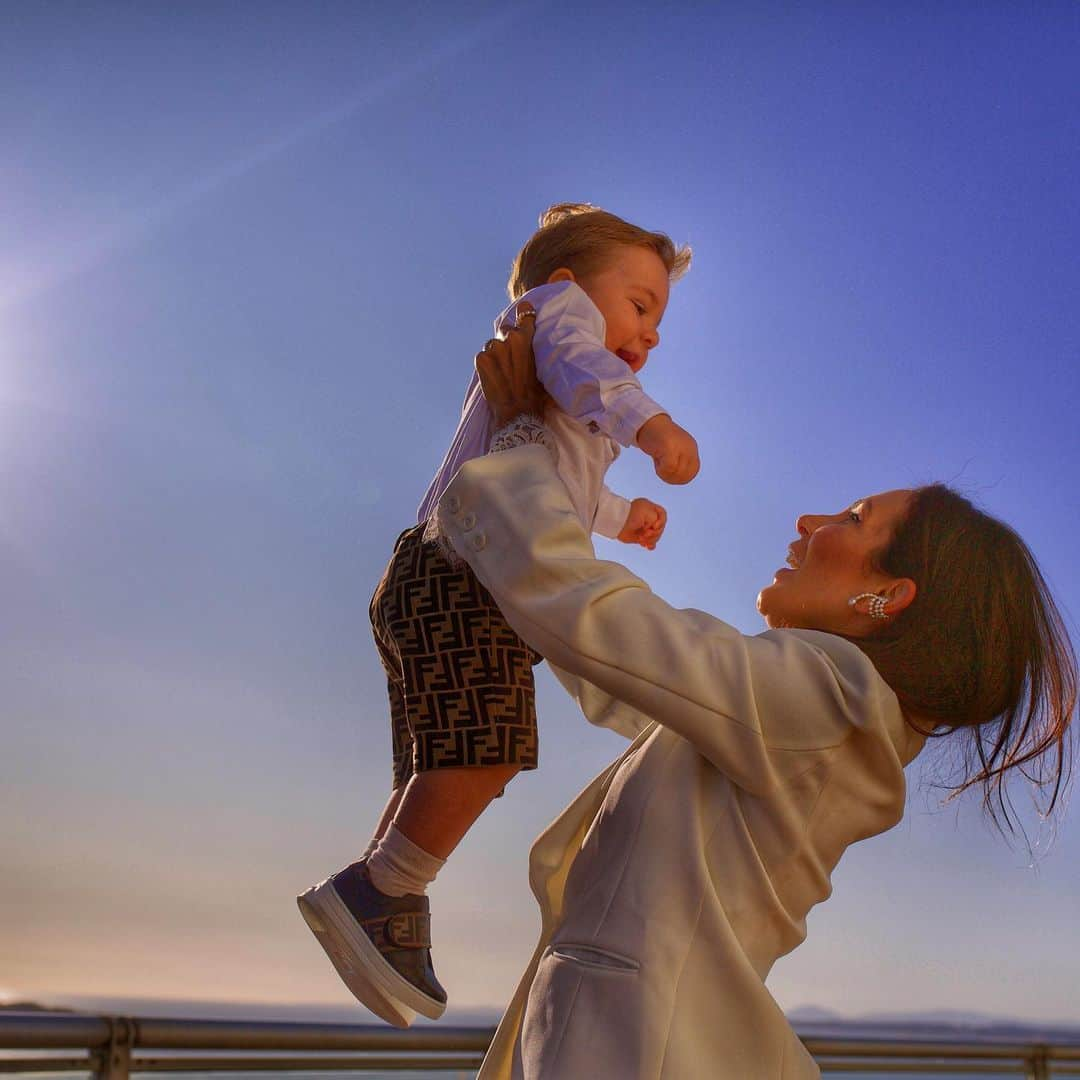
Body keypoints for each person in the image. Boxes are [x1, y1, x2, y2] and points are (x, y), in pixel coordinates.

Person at [427, 309, 1075, 1078]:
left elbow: (595, 624)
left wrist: (525, 438)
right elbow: (618, 669)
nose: (810, 522)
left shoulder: (827, 700)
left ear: (889, 596)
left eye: (855, 518)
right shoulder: (827, 715)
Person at [297, 204, 700, 1026]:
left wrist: (624, 518)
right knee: (490, 747)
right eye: (643, 303)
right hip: (461, 576)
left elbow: (561, 485)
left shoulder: (553, 383)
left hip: (437, 574)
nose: (650, 332)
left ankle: (384, 899)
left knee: (440, 758)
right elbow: (592, 370)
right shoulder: (557, 322)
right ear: (567, 284)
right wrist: (653, 426)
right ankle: (382, 890)